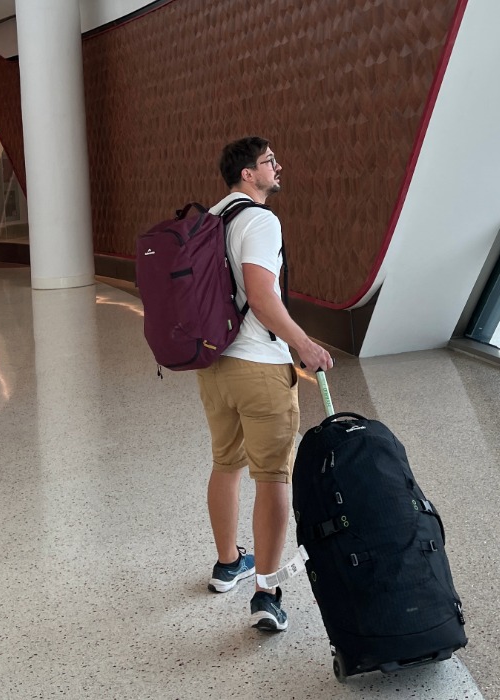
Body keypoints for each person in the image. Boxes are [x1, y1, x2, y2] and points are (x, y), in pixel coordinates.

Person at [196, 136, 333, 632]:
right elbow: (260, 294)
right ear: (248, 175)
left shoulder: (211, 217)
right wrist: (303, 344)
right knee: (273, 476)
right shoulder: (260, 220)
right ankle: (267, 592)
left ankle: (228, 562)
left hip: (214, 366)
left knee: (225, 464)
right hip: (258, 364)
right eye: (269, 161)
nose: (278, 166)